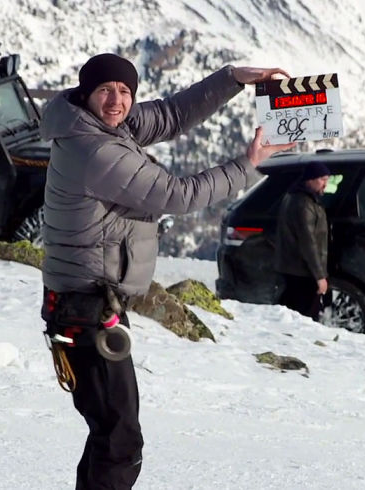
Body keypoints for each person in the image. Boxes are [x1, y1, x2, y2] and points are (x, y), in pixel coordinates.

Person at [39, 53, 295, 490]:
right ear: (86, 94)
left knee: (110, 434)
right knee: (120, 441)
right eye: (105, 90)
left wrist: (233, 78)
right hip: (85, 309)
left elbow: (172, 115)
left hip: (88, 304)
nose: (116, 100)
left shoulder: (96, 124)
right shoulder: (97, 151)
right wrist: (248, 164)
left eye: (125, 91)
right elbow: (178, 195)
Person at [275, 162, 330, 321]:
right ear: (309, 180)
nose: (325, 184)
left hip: (295, 269)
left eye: (327, 180)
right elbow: (308, 242)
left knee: (294, 315)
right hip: (302, 272)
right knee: (303, 319)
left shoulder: (299, 198)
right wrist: (319, 276)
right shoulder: (304, 204)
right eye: (322, 179)